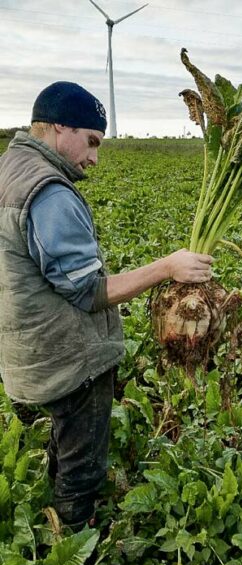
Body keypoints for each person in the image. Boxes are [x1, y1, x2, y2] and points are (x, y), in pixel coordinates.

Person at [0, 81, 213, 530]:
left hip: (28, 349)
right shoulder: (49, 192)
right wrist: (168, 267)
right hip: (67, 357)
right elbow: (88, 292)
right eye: (92, 141)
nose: (94, 158)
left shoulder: (10, 168)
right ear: (60, 128)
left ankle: (52, 519)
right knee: (84, 465)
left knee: (66, 439)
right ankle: (70, 553)